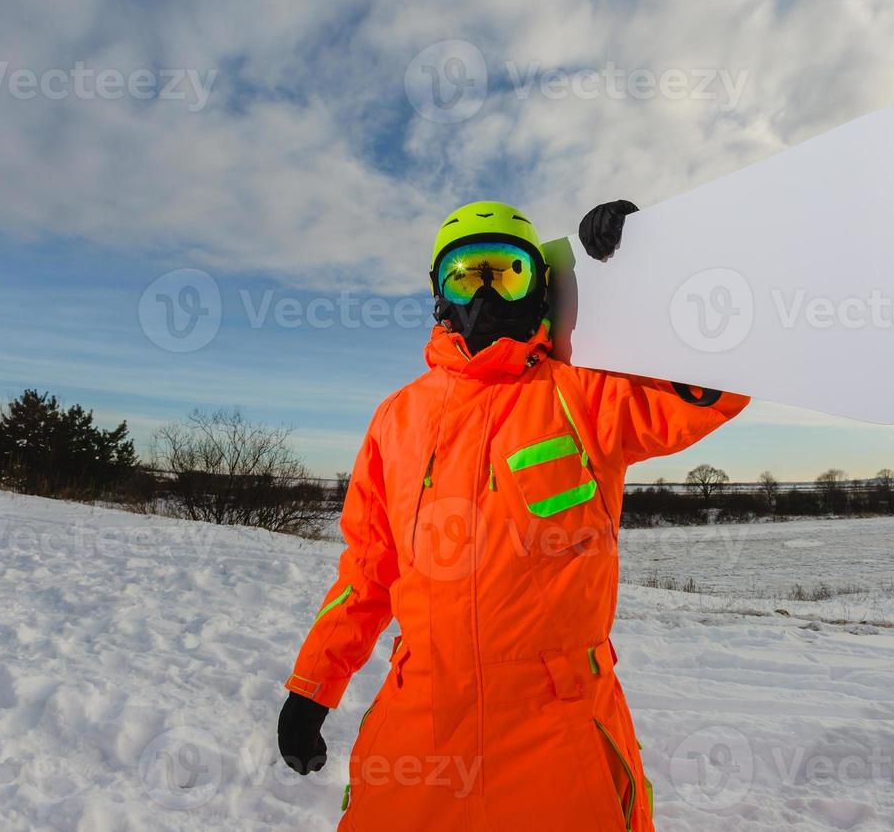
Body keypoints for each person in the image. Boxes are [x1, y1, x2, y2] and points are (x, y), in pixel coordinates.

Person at [278, 200, 748, 831]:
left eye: (508, 272)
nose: (488, 291)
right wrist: (312, 687)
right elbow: (368, 571)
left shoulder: (585, 394)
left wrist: (652, 267)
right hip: (418, 731)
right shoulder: (397, 419)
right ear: (439, 293)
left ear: (540, 284)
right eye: (467, 275)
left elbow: (710, 382)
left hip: (561, 733)